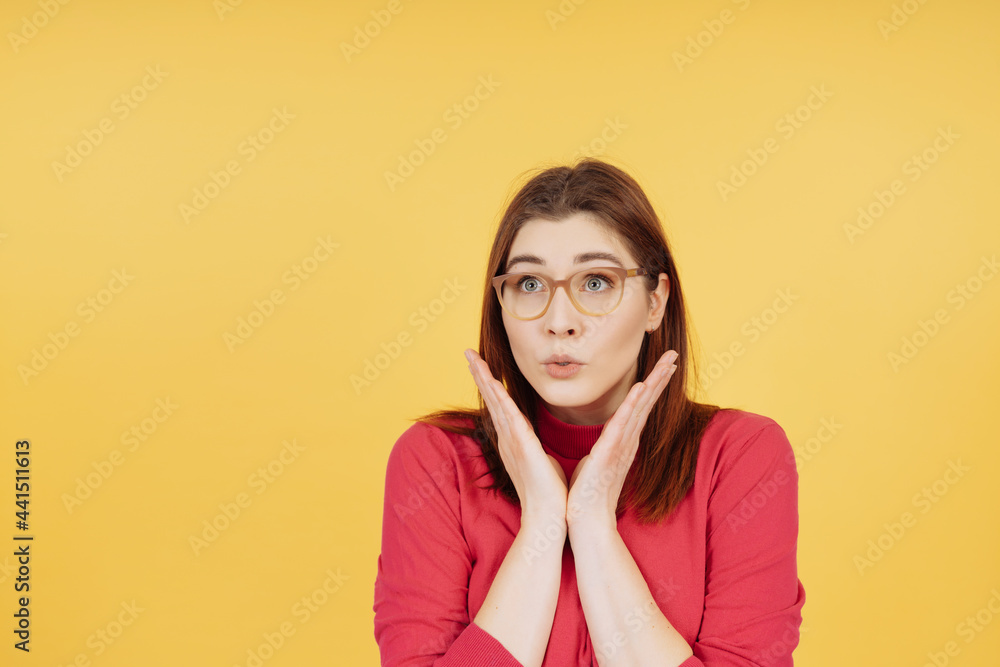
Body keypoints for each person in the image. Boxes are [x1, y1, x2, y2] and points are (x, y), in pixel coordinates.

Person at [373, 158, 805, 666]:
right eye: (529, 283)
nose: (560, 322)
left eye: (595, 282)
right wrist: (541, 523)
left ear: (655, 302)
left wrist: (593, 522)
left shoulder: (740, 456)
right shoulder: (436, 461)